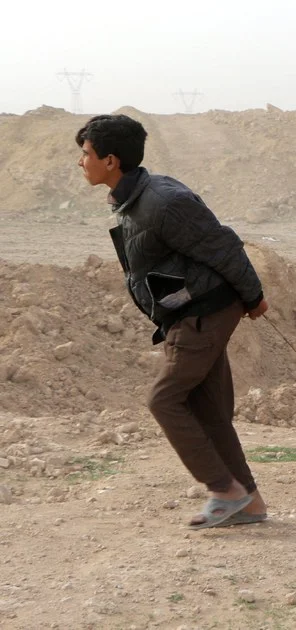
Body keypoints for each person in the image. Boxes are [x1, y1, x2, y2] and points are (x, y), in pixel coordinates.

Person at [75, 114, 269, 529]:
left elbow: (223, 247)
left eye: (86, 154)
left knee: (163, 399)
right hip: (189, 311)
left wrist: (254, 297)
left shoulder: (163, 201)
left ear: (111, 160)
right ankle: (249, 503)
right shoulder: (134, 199)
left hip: (204, 312)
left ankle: (224, 490)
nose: (80, 161)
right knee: (209, 408)